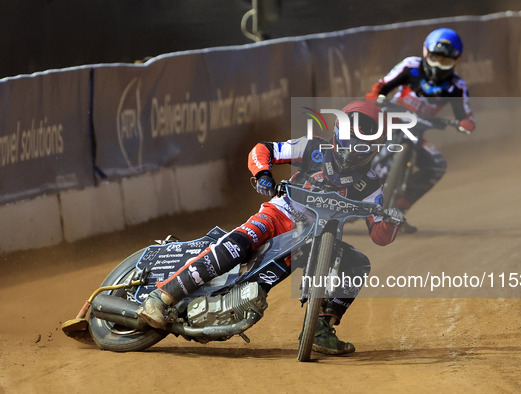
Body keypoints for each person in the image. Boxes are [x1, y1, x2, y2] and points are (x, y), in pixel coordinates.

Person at [137, 100, 404, 355]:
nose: (349, 153)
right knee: (238, 245)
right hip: (279, 214)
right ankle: (160, 298)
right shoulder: (311, 148)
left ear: (374, 148)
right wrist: (263, 174)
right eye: (348, 143)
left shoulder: (370, 184)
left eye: (359, 148)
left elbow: (380, 235)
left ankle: (321, 329)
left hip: (314, 240)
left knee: (357, 263)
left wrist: (392, 220)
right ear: (337, 134)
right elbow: (263, 149)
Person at [366, 28, 476, 233]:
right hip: (387, 122)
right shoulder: (410, 66)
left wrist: (466, 124)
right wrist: (377, 97)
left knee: (437, 165)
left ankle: (396, 210)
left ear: (456, 61)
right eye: (435, 58)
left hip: (416, 132)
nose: (438, 65)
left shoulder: (456, 86)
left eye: (445, 61)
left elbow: (466, 116)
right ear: (425, 52)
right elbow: (380, 87)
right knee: (350, 140)